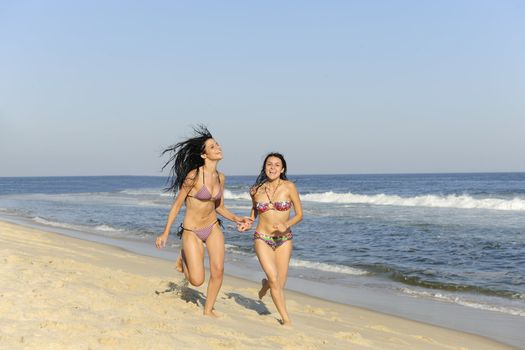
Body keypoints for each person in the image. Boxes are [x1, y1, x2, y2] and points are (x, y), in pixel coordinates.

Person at [156, 125, 251, 317]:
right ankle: (183, 257)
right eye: (212, 147)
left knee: (218, 270)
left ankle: (208, 309)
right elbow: (176, 205)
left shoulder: (220, 177)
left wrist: (236, 218)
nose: (218, 148)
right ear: (204, 155)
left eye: (217, 145)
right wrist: (165, 232)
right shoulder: (194, 176)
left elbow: (219, 206)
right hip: (192, 231)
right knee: (197, 281)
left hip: (212, 227)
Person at [239, 152, 303, 325]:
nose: (272, 167)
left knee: (278, 284)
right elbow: (254, 211)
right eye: (269, 164)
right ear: (264, 167)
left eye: (276, 165)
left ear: (282, 169)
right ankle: (286, 319)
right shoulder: (256, 190)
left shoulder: (289, 187)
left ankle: (266, 284)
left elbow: (299, 215)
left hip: (284, 239)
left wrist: (287, 224)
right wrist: (248, 222)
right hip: (262, 237)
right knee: (275, 280)